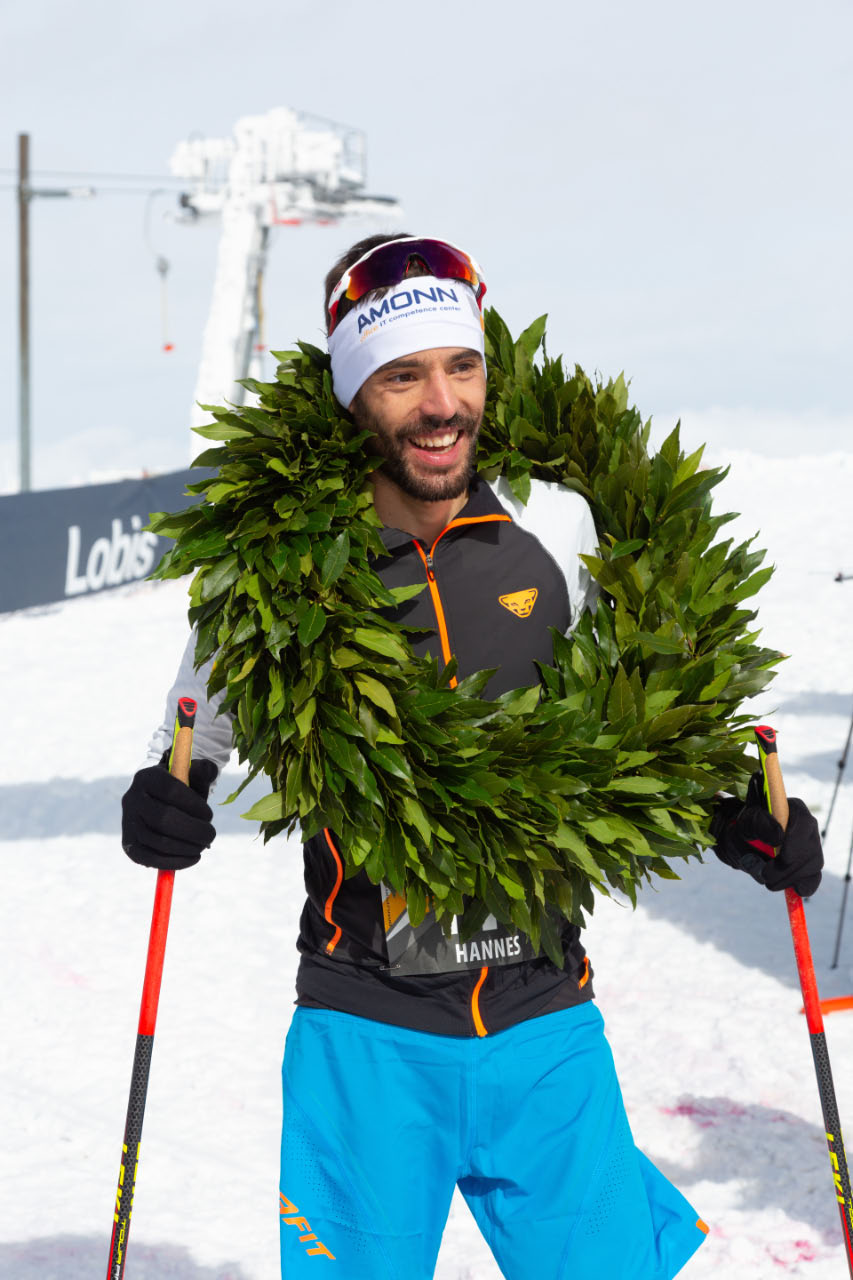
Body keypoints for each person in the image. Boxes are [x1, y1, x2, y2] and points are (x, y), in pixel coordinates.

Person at [121, 235, 824, 1279]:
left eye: (462, 366)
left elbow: (644, 719)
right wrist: (160, 800)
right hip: (367, 1032)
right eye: (402, 376)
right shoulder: (282, 566)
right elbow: (192, 735)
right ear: (353, 395)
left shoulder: (558, 526)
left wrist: (738, 814)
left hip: (545, 1021)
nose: (442, 404)